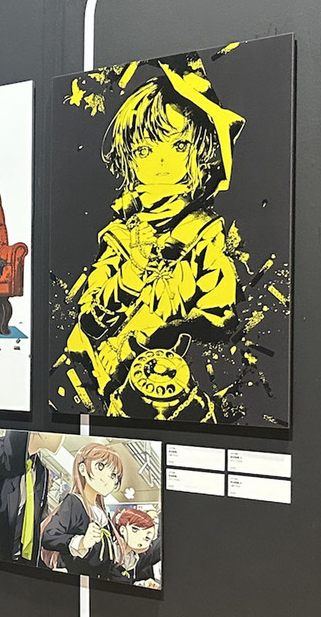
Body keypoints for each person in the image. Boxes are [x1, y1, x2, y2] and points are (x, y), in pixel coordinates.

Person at [56, 55, 245, 421]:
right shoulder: (120, 235)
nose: (161, 162)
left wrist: (167, 329)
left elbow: (222, 318)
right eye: (145, 149)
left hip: (173, 397)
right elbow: (90, 321)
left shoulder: (204, 235)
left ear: (201, 150)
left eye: (178, 145)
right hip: (104, 389)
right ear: (129, 159)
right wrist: (127, 280)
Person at [41, 443, 124, 577]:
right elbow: (49, 536)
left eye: (114, 475)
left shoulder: (102, 514)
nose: (108, 477)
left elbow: (106, 561)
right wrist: (82, 542)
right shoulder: (74, 503)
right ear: (82, 469)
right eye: (100, 467)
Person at [0, 430, 64, 566]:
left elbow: (37, 519)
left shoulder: (42, 471)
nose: (62, 436)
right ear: (42, 433)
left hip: (22, 558)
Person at [110, 508, 162, 589]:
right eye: (135, 530)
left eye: (147, 538)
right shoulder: (110, 551)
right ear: (122, 530)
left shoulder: (134, 558)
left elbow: (129, 583)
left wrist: (143, 584)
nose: (141, 539)